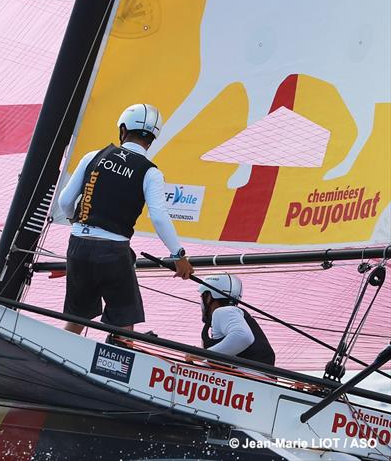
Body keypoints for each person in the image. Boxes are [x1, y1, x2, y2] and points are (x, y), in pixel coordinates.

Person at [57, 103, 193, 340]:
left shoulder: (93, 156)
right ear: (151, 139)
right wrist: (178, 255)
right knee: (123, 322)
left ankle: (53, 357)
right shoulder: (151, 173)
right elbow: (159, 217)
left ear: (122, 130)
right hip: (113, 251)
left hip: (78, 244)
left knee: (77, 316)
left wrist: (74, 221)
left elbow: (65, 201)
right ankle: (113, 369)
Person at [198, 274, 276, 365]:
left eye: (201, 296)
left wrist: (202, 355)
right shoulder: (233, 314)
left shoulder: (223, 311)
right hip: (253, 376)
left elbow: (243, 337)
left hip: (249, 376)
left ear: (208, 297)